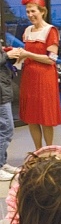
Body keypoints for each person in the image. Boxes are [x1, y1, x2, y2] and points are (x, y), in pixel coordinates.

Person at [18, 0, 61, 150]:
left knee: (45, 117)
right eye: (28, 12)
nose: (30, 15)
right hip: (29, 77)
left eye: (33, 11)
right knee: (32, 117)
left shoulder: (51, 31)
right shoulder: (28, 30)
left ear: (42, 11)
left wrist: (28, 54)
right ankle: (38, 151)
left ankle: (48, 151)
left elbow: (51, 59)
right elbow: (26, 52)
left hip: (45, 77)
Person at [0, 41, 20, 181]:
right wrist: (7, 55)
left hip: (3, 88)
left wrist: (9, 55)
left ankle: (2, 163)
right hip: (1, 92)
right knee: (7, 129)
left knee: (3, 128)